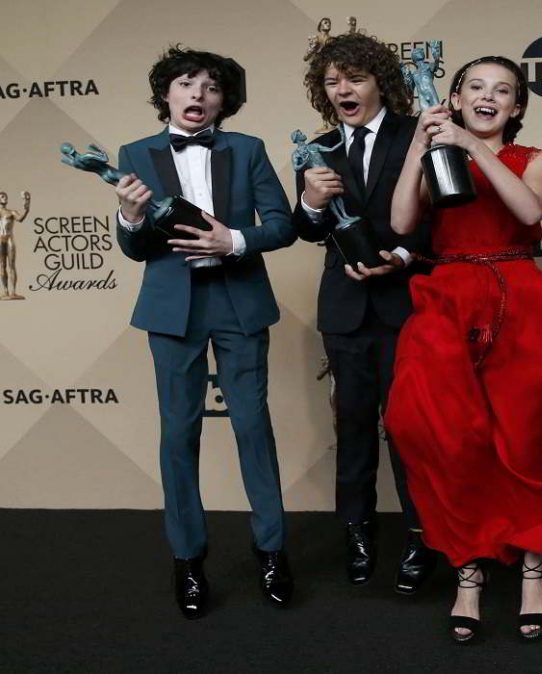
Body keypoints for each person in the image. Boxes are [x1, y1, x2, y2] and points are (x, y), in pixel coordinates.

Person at [385, 56, 542, 642]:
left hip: (520, 301)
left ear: (517, 107)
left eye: (502, 91)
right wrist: (422, 144)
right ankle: (468, 572)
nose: (488, 96)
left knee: (528, 438)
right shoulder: (435, 154)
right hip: (447, 299)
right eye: (474, 87)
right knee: (444, 435)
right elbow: (403, 222)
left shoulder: (534, 158)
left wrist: (473, 149)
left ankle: (533, 568)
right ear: (452, 98)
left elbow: (529, 214)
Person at [113, 46, 296, 619]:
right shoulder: (134, 154)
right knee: (178, 436)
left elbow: (284, 225)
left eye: (211, 87)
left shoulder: (248, 151)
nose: (198, 95)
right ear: (165, 93)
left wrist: (233, 241)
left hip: (239, 301)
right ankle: (188, 560)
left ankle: (272, 552)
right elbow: (136, 248)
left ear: (226, 100)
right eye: (186, 83)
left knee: (252, 428)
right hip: (173, 311)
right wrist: (131, 217)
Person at [292, 32, 436, 594]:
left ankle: (422, 536)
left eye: (353, 78)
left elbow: (435, 214)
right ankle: (357, 533)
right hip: (346, 311)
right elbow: (305, 230)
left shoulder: (414, 134)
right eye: (331, 82)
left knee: (410, 431)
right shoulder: (316, 149)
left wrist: (402, 256)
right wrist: (311, 200)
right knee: (352, 429)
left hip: (406, 306)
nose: (342, 89)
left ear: (380, 82)